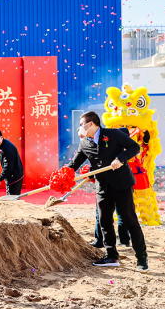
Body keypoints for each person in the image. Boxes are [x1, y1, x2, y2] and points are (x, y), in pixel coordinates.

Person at [67, 111, 148, 271]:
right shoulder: (85, 143)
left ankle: (142, 259)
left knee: (130, 220)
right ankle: (111, 256)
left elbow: (134, 147)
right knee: (104, 221)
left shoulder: (113, 134)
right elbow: (74, 164)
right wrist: (63, 176)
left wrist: (120, 158)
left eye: (81, 124)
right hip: (102, 186)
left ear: (91, 124)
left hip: (122, 184)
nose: (80, 128)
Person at [0, 129, 24, 196]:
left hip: (14, 176)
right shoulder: (0, 144)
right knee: (10, 196)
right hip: (10, 174)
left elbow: (8, 167)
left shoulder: (7, 148)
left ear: (1, 137)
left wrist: (0, 179)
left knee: (12, 197)